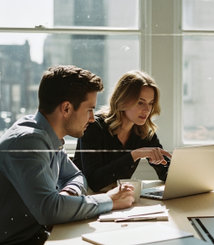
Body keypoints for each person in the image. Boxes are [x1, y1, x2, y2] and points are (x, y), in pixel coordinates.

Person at [0, 65, 135, 244]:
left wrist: (68, 192)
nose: (93, 118)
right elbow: (50, 210)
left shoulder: (49, 136)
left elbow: (76, 175)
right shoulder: (28, 142)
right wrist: (108, 200)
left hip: (40, 235)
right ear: (66, 109)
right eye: (89, 109)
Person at [73, 70, 171, 192]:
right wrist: (134, 155)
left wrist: (178, 174)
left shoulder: (144, 132)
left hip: (119, 199)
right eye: (140, 102)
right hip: (87, 199)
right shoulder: (94, 126)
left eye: (150, 103)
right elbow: (94, 182)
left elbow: (166, 172)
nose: (147, 110)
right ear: (123, 100)